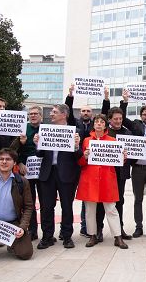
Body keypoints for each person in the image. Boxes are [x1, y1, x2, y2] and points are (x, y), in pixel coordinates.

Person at [34, 104, 82, 249]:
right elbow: (39, 155)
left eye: (55, 112)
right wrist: (38, 144)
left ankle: (67, 236)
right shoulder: (45, 131)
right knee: (46, 207)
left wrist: (76, 146)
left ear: (64, 114)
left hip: (67, 174)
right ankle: (47, 236)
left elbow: (79, 156)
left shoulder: (76, 133)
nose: (51, 114)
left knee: (67, 206)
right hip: (47, 174)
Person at [76, 114, 128, 249]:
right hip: (90, 178)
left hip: (107, 178)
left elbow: (119, 162)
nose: (99, 124)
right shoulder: (86, 140)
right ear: (94, 125)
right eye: (97, 122)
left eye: (101, 122)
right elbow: (80, 162)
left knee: (111, 209)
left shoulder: (113, 140)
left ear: (105, 125)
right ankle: (92, 235)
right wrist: (84, 156)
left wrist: (123, 158)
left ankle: (118, 237)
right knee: (90, 209)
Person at [121, 90, 146, 238]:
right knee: (138, 199)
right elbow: (122, 119)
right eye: (144, 114)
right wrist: (125, 101)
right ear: (141, 116)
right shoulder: (136, 126)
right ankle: (139, 227)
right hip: (137, 168)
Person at [99, 87, 133, 241]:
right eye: (115, 119)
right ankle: (98, 230)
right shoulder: (103, 133)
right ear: (109, 119)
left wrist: (128, 157)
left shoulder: (127, 133)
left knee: (119, 201)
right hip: (104, 173)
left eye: (120, 118)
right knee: (100, 201)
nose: (118, 121)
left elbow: (133, 152)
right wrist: (106, 98)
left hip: (120, 174)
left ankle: (119, 230)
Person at [65, 84, 93, 238]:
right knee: (70, 197)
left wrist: (107, 99)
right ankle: (67, 229)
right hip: (74, 165)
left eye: (88, 111)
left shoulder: (96, 125)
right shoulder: (75, 124)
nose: (86, 113)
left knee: (87, 197)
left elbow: (104, 112)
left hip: (89, 166)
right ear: (79, 113)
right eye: (83, 111)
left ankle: (86, 226)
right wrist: (70, 96)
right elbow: (67, 111)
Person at [11, 105, 43, 241]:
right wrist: (19, 162)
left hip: (43, 171)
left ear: (41, 116)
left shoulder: (47, 129)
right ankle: (32, 231)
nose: (33, 116)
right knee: (29, 202)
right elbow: (12, 150)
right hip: (26, 170)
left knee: (46, 202)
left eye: (36, 113)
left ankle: (47, 233)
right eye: (31, 114)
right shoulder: (23, 128)